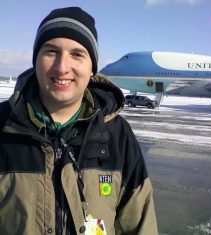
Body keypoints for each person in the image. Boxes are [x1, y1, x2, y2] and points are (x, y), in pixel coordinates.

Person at [0, 7, 158, 235]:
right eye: (51, 51)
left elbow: (139, 225)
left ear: (92, 67)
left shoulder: (117, 134)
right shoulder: (4, 125)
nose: (62, 67)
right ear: (36, 61)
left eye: (77, 54)